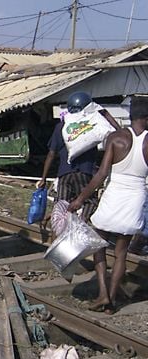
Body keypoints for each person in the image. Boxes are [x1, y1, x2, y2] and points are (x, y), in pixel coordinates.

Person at [68, 96, 148, 314]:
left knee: (99, 246)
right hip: (135, 197)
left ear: (131, 115)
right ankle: (111, 303)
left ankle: (103, 293)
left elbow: (101, 174)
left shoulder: (117, 137)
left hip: (114, 195)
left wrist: (80, 199)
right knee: (121, 253)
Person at [37, 91, 120, 222]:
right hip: (84, 173)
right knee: (89, 202)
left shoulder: (61, 127)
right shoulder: (92, 126)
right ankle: (81, 225)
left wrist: (43, 178)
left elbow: (51, 154)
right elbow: (118, 131)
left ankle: (58, 234)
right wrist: (103, 112)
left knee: (60, 206)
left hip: (64, 174)